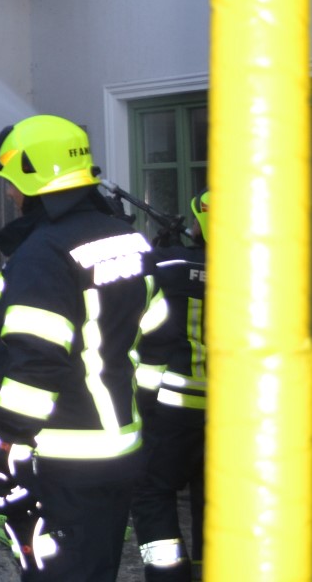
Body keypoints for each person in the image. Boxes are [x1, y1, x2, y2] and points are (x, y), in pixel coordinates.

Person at [0, 115, 158, 580]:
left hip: (66, 456)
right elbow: (158, 332)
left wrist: (2, 442)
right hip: (123, 446)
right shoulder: (128, 238)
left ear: (34, 179)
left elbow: (36, 365)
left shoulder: (43, 253)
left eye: (12, 182)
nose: (10, 193)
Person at [131, 188, 209, 581]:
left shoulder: (171, 262)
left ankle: (168, 575)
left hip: (175, 406)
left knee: (151, 492)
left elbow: (139, 268)